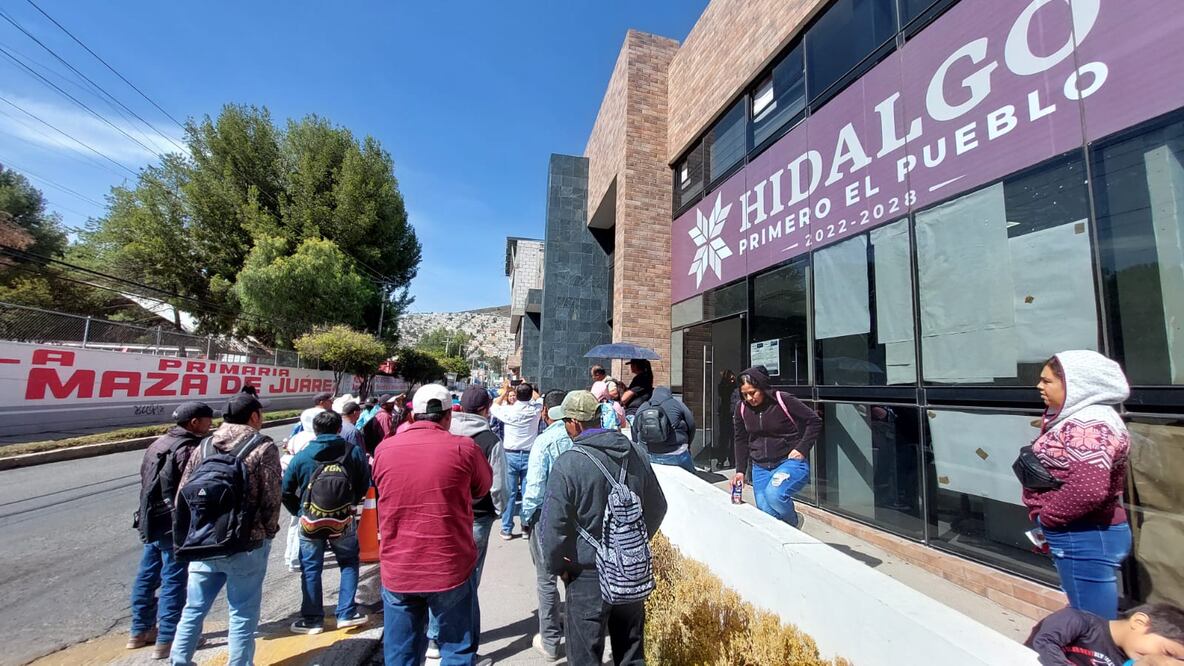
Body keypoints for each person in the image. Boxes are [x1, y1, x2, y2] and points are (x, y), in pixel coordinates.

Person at [540, 390, 667, 666]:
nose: (565, 428)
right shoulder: (635, 453)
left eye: (566, 422)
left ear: (575, 423)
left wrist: (557, 566)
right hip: (629, 571)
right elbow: (658, 506)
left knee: (584, 655)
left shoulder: (569, 463)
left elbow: (552, 527)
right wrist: (631, 544)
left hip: (586, 572)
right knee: (631, 652)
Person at [371, 383, 493, 666]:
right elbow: (482, 488)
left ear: (413, 416)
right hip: (449, 566)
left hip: (399, 568)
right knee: (457, 650)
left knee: (400, 653)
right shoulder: (465, 448)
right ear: (449, 416)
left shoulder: (384, 449)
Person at [170, 394, 282, 666]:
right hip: (246, 541)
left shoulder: (205, 445)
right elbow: (271, 496)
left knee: (194, 608)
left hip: (203, 539)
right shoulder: (262, 446)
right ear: (253, 416)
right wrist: (268, 532)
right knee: (242, 611)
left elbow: (183, 494)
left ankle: (179, 660)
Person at [1024, 351, 1133, 620]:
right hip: (1081, 531)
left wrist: (1049, 519)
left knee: (1091, 620)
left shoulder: (1090, 425)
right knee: (1084, 608)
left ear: (1077, 385)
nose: (1039, 386)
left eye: (1047, 381)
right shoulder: (1083, 418)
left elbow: (1088, 489)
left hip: (1084, 533)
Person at [424, 385, 508, 659]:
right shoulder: (489, 440)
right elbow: (498, 485)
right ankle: (463, 646)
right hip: (478, 516)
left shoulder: (444, 432)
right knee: (469, 581)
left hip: (444, 512)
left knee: (441, 575)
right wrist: (499, 510)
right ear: (485, 409)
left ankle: (434, 639)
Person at [127, 402, 213, 660]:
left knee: (147, 574)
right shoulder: (188, 449)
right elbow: (191, 489)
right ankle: (169, 637)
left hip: (151, 519)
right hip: (174, 522)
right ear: (194, 422)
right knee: (175, 578)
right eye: (208, 420)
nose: (211, 424)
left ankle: (139, 630)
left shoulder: (158, 443)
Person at [282, 410, 370, 634]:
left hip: (309, 520)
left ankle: (312, 620)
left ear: (315, 430)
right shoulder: (352, 451)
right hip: (343, 518)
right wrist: (351, 503)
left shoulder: (303, 456)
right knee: (348, 563)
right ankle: (346, 613)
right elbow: (364, 482)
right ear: (339, 429)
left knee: (311, 568)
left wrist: (299, 510)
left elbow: (286, 491)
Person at [732, 366, 822, 529]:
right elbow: (741, 440)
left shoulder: (783, 400)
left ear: (762, 388)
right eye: (745, 394)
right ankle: (786, 537)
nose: (749, 398)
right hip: (760, 467)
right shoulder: (742, 408)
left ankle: (793, 522)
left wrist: (802, 448)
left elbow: (814, 421)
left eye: (753, 392)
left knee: (774, 495)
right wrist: (740, 470)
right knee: (765, 512)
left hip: (787, 461)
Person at [520, 390, 573, 662]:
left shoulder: (544, 442)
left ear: (545, 412)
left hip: (546, 517)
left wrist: (526, 518)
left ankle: (550, 640)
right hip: (577, 516)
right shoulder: (578, 436)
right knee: (574, 576)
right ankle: (576, 634)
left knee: (546, 578)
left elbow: (534, 488)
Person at [1025, 603, 1184, 665]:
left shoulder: (1127, 660)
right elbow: (1044, 642)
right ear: (1139, 622)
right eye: (1168, 652)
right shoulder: (1077, 621)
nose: (1163, 660)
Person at [491, 382, 544, 540]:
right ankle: (525, 527)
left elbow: (494, 405)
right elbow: (540, 398)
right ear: (530, 394)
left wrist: (505, 391)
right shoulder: (536, 410)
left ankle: (506, 528)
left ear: (517, 395)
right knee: (529, 493)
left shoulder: (508, 410)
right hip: (530, 455)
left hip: (510, 455)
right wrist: (528, 387)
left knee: (510, 494)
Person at [283, 406, 325, 572]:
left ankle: (289, 556)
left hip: (295, 482)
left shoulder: (296, 437)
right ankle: (297, 559)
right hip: (309, 484)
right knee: (305, 522)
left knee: (295, 522)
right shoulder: (314, 439)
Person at [633, 386, 697, 473]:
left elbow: (635, 430)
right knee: (692, 476)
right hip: (677, 453)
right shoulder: (677, 404)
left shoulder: (643, 407)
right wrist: (688, 444)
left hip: (649, 454)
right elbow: (691, 425)